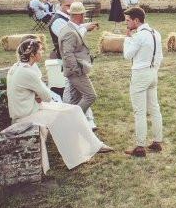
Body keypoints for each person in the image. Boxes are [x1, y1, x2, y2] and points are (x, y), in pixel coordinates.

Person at [6, 39, 112, 168]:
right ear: (32, 54)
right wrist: (39, 95)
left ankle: (94, 145)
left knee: (75, 110)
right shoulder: (27, 72)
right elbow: (47, 96)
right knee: (67, 116)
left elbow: (39, 93)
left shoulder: (18, 66)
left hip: (31, 108)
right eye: (40, 50)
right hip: (27, 114)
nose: (42, 52)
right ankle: (79, 155)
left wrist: (37, 95)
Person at [122, 7, 164, 157]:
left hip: (140, 74)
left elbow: (127, 55)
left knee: (139, 111)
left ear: (136, 20)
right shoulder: (156, 33)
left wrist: (127, 38)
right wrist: (154, 70)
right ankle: (157, 142)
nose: (126, 23)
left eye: (128, 21)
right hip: (153, 73)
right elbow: (160, 57)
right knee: (154, 108)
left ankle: (140, 146)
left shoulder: (139, 36)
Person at [58, 1, 98, 117]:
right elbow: (67, 54)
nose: (84, 17)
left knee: (75, 99)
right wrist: (77, 70)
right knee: (90, 96)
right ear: (78, 15)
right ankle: (74, 119)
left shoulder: (71, 28)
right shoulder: (70, 32)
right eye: (83, 14)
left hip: (75, 70)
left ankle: (72, 121)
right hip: (75, 71)